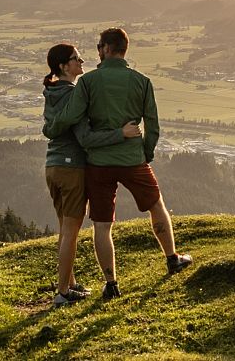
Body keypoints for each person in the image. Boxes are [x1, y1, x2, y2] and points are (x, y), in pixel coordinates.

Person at [45, 27, 191, 300]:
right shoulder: (141, 81)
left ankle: (111, 284)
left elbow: (72, 116)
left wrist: (51, 128)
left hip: (98, 163)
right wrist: (145, 153)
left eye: (99, 46)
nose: (96, 52)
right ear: (124, 49)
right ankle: (172, 258)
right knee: (156, 205)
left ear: (107, 49)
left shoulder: (88, 82)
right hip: (132, 158)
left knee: (102, 224)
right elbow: (153, 124)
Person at [41, 43, 142, 306]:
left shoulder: (52, 91)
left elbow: (50, 128)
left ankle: (70, 284)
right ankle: (62, 293)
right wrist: (120, 133)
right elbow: (85, 138)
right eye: (76, 59)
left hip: (52, 166)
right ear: (64, 66)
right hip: (71, 167)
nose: (81, 61)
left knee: (64, 229)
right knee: (71, 232)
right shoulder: (73, 95)